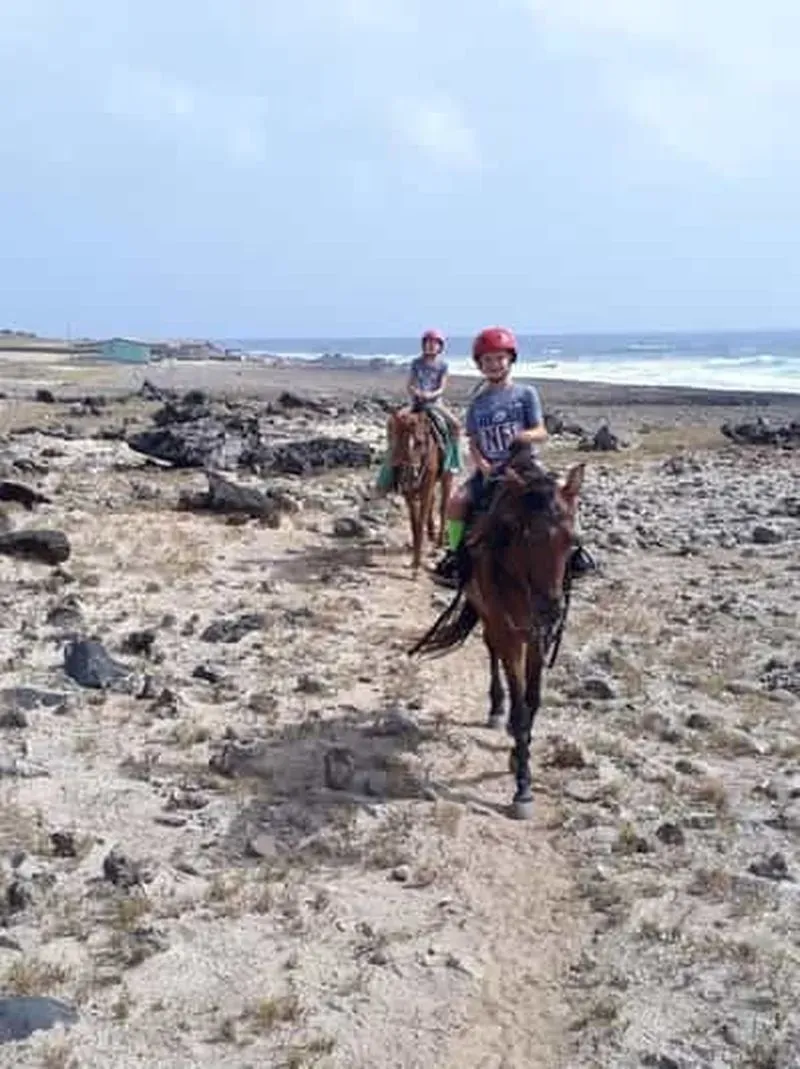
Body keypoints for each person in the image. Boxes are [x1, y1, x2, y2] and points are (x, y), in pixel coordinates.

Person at [430, 325, 595, 588]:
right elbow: (473, 440)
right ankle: (454, 558)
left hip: (526, 467)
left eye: (499, 358)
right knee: (456, 504)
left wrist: (524, 437)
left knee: (564, 495)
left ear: (511, 360)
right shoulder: (477, 403)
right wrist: (482, 465)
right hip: (491, 471)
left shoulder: (525, 394)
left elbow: (541, 431)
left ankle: (575, 550)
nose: (494, 364)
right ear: (480, 365)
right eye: (487, 360)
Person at [381, 329, 461, 488]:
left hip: (435, 403)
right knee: (394, 421)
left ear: (440, 347)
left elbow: (442, 387)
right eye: (428, 343)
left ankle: (452, 462)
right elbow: (410, 383)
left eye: (434, 343)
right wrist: (416, 392)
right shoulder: (416, 363)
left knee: (455, 425)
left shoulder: (443, 365)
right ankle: (393, 456)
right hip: (416, 402)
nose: (430, 346)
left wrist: (431, 395)